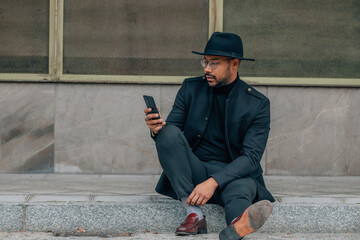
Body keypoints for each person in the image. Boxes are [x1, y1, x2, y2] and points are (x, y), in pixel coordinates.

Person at [144, 32, 274, 240]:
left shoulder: (257, 104)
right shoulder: (191, 88)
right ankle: (194, 215)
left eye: (214, 63)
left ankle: (237, 225)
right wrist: (155, 128)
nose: (206, 69)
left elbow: (250, 158)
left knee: (240, 189)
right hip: (194, 170)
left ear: (235, 64)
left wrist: (213, 182)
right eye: (205, 62)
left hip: (233, 174)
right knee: (167, 131)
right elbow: (172, 133)